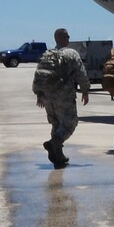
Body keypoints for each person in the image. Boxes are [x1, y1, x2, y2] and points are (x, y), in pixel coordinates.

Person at [34, 28, 88, 168]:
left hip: (47, 97)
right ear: (64, 38)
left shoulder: (47, 54)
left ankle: (58, 156)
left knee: (56, 124)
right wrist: (85, 90)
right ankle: (54, 144)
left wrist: (39, 94)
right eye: (68, 36)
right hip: (63, 95)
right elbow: (81, 73)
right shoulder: (71, 53)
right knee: (70, 123)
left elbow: (39, 74)